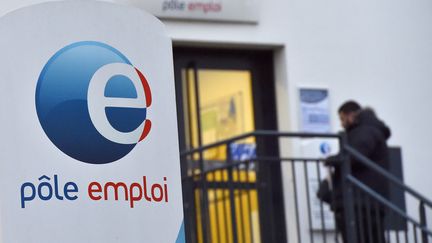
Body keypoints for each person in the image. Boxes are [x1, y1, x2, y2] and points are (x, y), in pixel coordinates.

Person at [328, 100, 391, 243]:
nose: (342, 124)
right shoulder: (369, 130)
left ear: (350, 115)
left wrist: (333, 160)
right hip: (366, 201)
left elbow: (355, 155)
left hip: (360, 203)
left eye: (342, 119)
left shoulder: (364, 131)